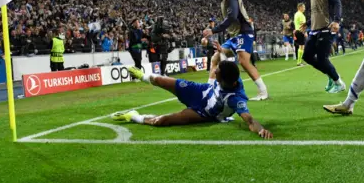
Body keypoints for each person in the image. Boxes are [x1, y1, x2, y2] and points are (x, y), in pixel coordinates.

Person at [112, 61, 273, 139]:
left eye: (217, 72)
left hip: (203, 113)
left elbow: (249, 120)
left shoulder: (235, 99)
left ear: (224, 79)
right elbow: (218, 62)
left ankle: (134, 116)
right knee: (163, 80)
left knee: (163, 121)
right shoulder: (227, 76)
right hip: (200, 91)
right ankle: (142, 75)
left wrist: (260, 129)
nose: (214, 71)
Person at [203, 0, 268, 101]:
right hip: (235, 35)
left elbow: (232, 17)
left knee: (243, 61)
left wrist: (214, 30)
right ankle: (208, 90)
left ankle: (263, 91)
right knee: (216, 57)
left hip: (244, 32)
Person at [302, 0, 346, 93]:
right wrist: (308, 23)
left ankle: (339, 83)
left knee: (322, 58)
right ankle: (331, 75)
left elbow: (337, 3)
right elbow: (319, 10)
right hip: (315, 29)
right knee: (307, 57)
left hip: (326, 29)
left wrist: (337, 20)